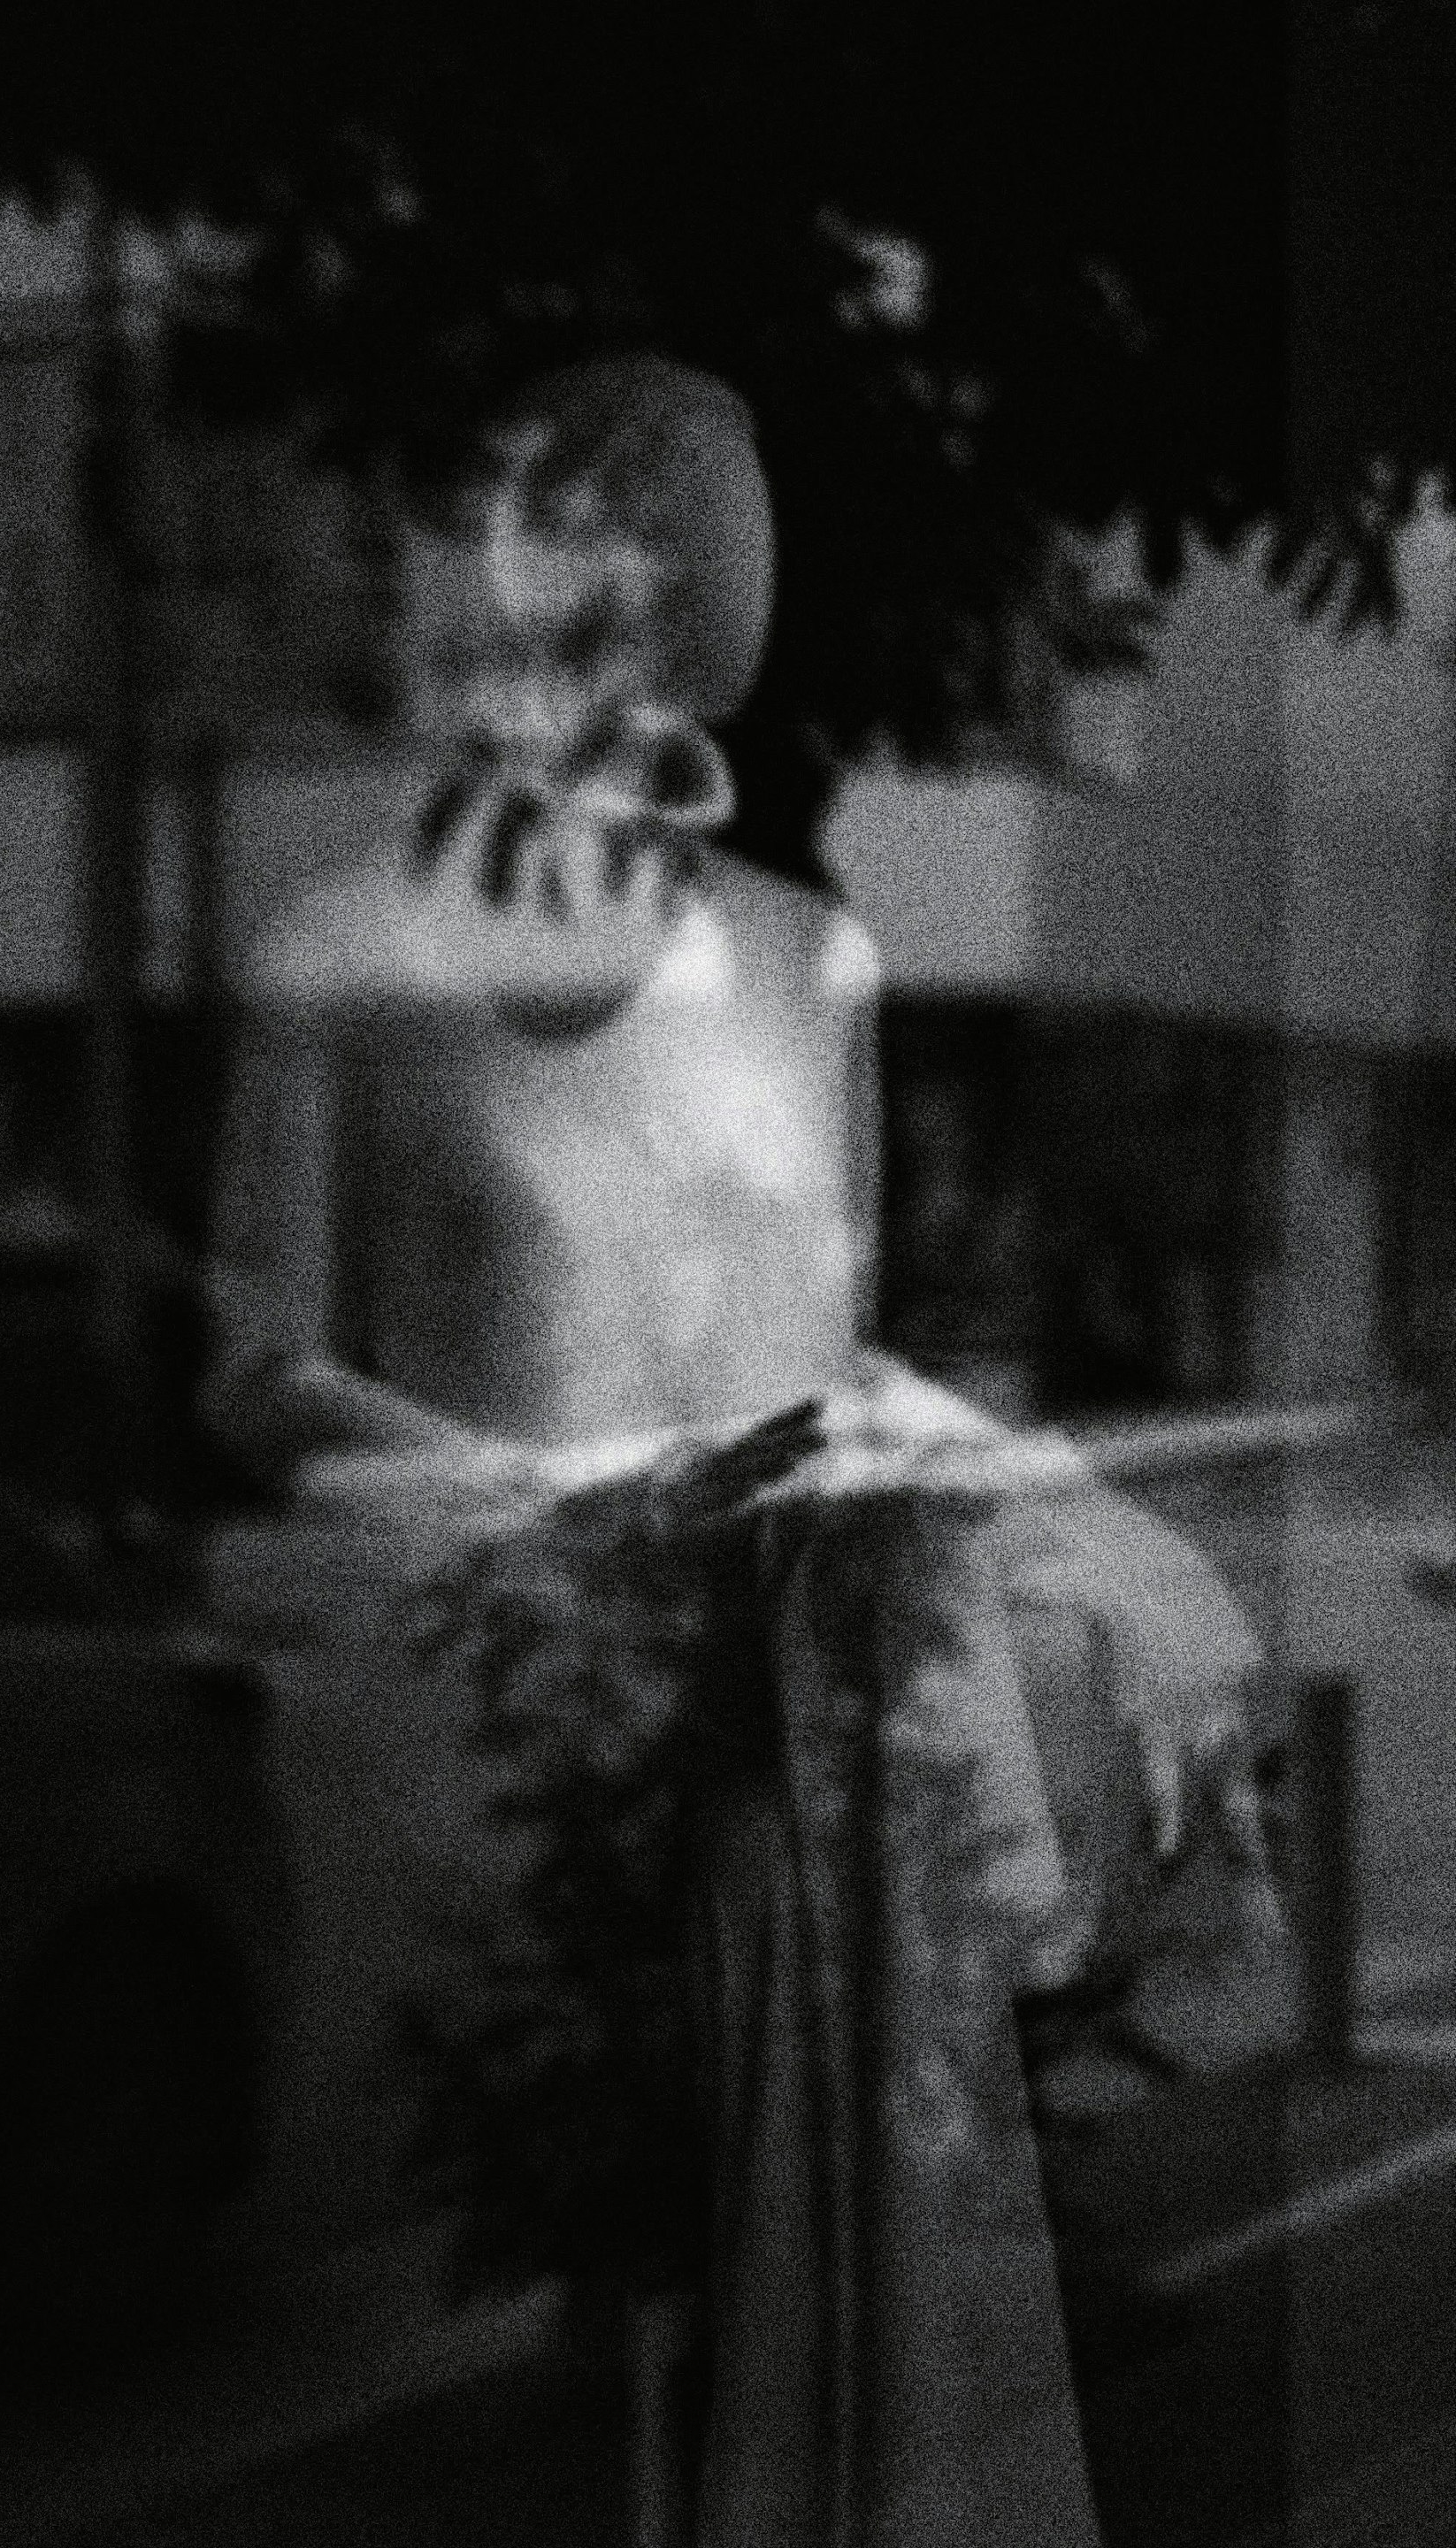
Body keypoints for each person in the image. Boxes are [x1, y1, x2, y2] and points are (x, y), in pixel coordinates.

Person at [202, 358, 1279, 2548]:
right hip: (508, 1747)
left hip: (795, 1753)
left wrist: (1109, 1541)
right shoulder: (345, 961)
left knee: (805, 2373)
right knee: (575, 2383)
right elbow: (254, 1363)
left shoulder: (809, 961)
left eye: (610, 627)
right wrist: (537, 1500)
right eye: (506, 622)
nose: (545, 680)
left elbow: (836, 1348)